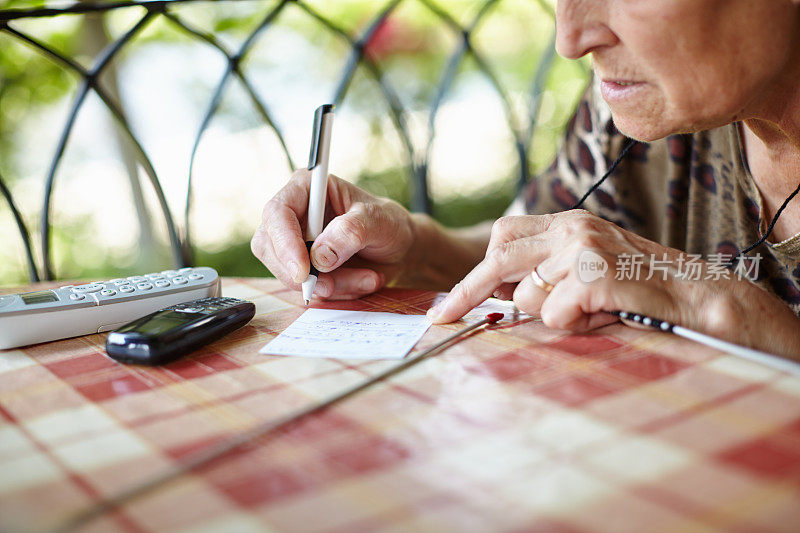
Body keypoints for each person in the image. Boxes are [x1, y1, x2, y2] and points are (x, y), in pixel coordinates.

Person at [251, 0, 800, 358]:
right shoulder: (641, 109)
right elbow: (553, 255)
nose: (570, 39)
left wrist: (720, 306)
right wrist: (411, 248)